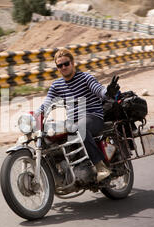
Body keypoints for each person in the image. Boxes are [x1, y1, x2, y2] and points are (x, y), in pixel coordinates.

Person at [35, 48, 120, 182]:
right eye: (60, 65)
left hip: (92, 116)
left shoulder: (86, 77)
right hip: (73, 122)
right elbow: (47, 103)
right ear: (57, 68)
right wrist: (34, 115)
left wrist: (107, 92)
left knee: (80, 129)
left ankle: (100, 166)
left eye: (66, 63)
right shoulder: (57, 85)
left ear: (73, 63)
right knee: (50, 137)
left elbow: (98, 90)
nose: (63, 67)